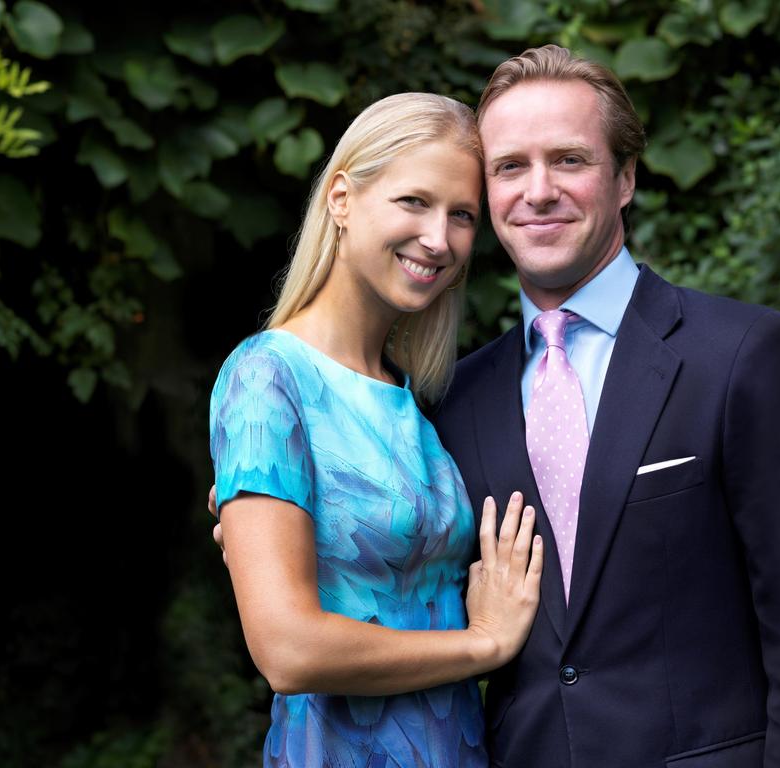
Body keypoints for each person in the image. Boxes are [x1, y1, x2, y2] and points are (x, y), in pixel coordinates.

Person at [430, 46, 780, 767]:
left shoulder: (745, 357)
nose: (537, 191)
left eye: (569, 160)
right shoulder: (458, 399)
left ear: (626, 176)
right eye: (510, 166)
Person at [208, 92, 543, 768]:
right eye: (413, 202)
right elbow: (287, 651)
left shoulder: (412, 398)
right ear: (341, 198)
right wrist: (484, 645)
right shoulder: (266, 379)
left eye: (462, 216)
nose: (439, 239)